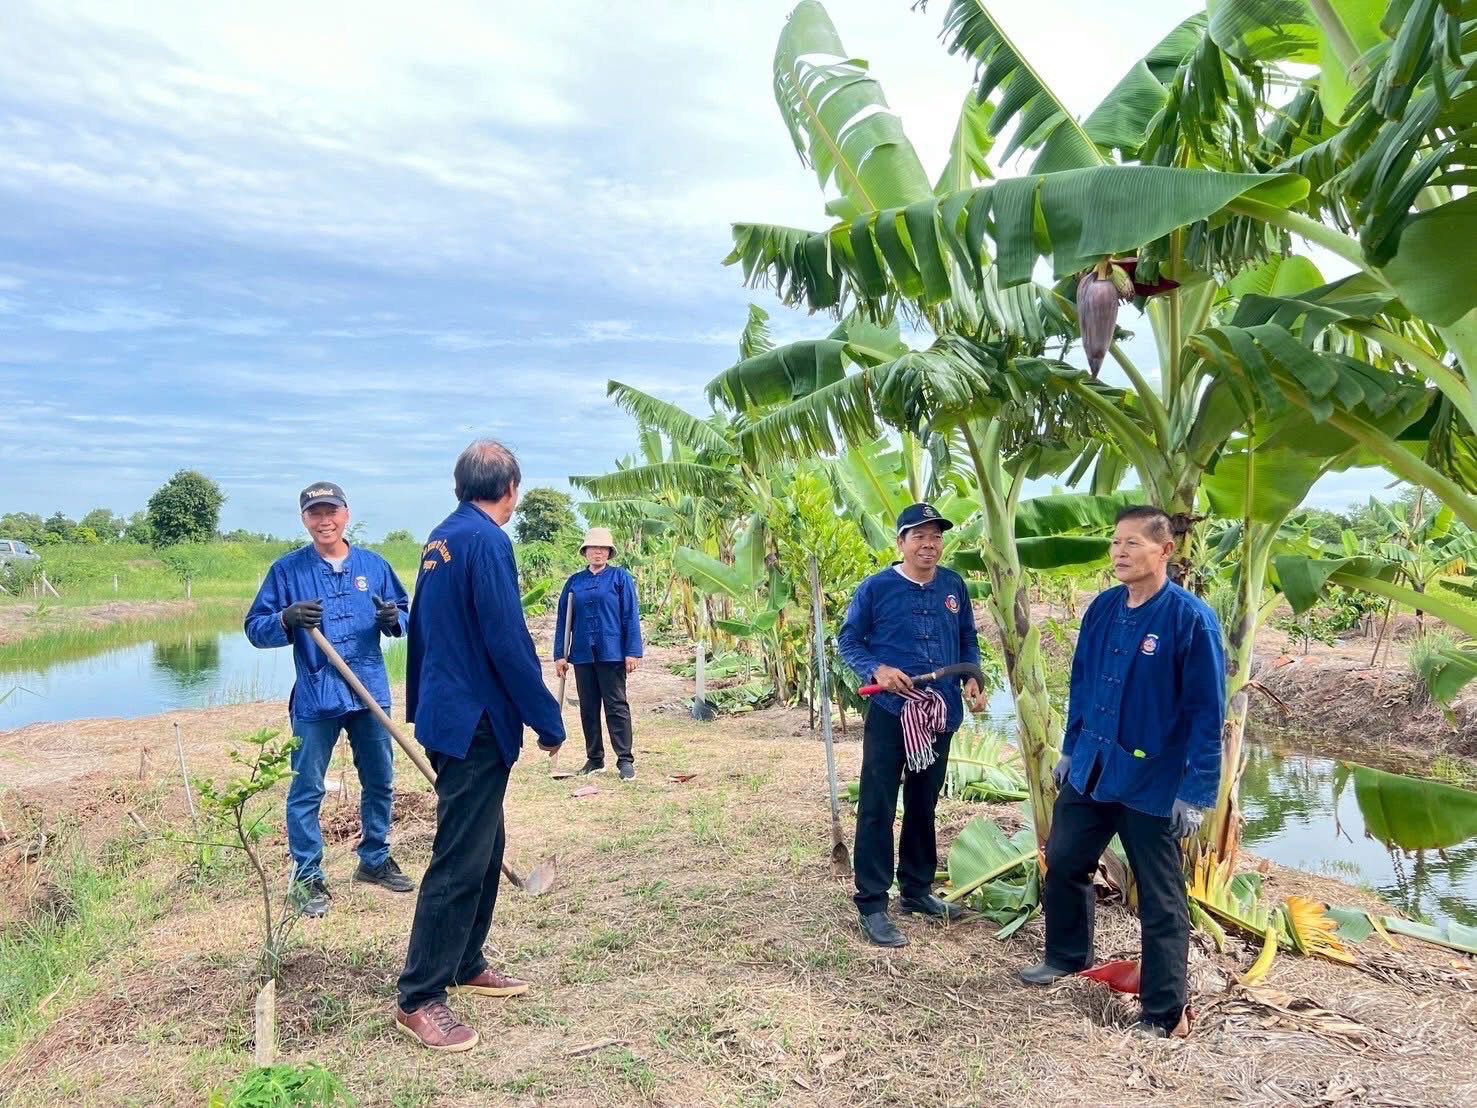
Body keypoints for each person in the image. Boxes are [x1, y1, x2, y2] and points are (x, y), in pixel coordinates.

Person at [1018, 505, 1225, 1039]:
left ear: (1165, 551)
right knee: (1063, 859)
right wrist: (1068, 749)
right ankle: (1066, 955)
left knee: (1160, 897)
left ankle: (1161, 1012)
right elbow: (1083, 684)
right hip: (1093, 767)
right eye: (1115, 543)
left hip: (1154, 784)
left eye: (1133, 543)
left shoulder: (1190, 620)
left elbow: (1208, 714)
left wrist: (1197, 791)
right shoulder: (1104, 609)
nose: (1119, 553)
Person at [394, 440, 566, 1053]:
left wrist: (422, 706)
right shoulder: (488, 541)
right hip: (473, 722)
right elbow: (507, 640)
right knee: (459, 856)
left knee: (486, 843)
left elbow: (422, 631)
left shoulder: (440, 539)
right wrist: (547, 718)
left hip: (450, 713)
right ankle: (419, 994)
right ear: (511, 489)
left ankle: (466, 960)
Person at [244, 482, 413, 918]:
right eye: (315, 513)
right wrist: (286, 618)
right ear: (304, 519)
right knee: (306, 789)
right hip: (317, 696)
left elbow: (407, 613)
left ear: (346, 514)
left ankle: (374, 860)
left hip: (369, 691)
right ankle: (306, 877)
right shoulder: (287, 572)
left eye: (331, 511)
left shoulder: (374, 567)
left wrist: (395, 620)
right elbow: (255, 628)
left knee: (380, 781)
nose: (324, 520)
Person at [838, 502, 986, 948]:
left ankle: (917, 890)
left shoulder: (953, 585)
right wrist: (877, 670)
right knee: (878, 805)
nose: (929, 544)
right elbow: (848, 640)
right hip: (891, 714)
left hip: (939, 714)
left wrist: (973, 677)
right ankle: (873, 904)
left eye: (936, 536)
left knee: (924, 804)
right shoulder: (877, 588)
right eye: (918, 536)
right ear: (900, 542)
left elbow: (967, 639)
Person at [553, 527, 643, 781]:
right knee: (588, 707)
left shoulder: (619, 578)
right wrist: (560, 654)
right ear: (585, 552)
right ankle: (594, 759)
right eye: (593, 548)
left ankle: (625, 759)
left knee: (616, 705)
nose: (598, 552)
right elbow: (564, 620)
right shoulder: (574, 582)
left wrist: (632, 651)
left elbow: (630, 615)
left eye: (603, 548)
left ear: (609, 552)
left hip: (612, 653)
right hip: (582, 653)